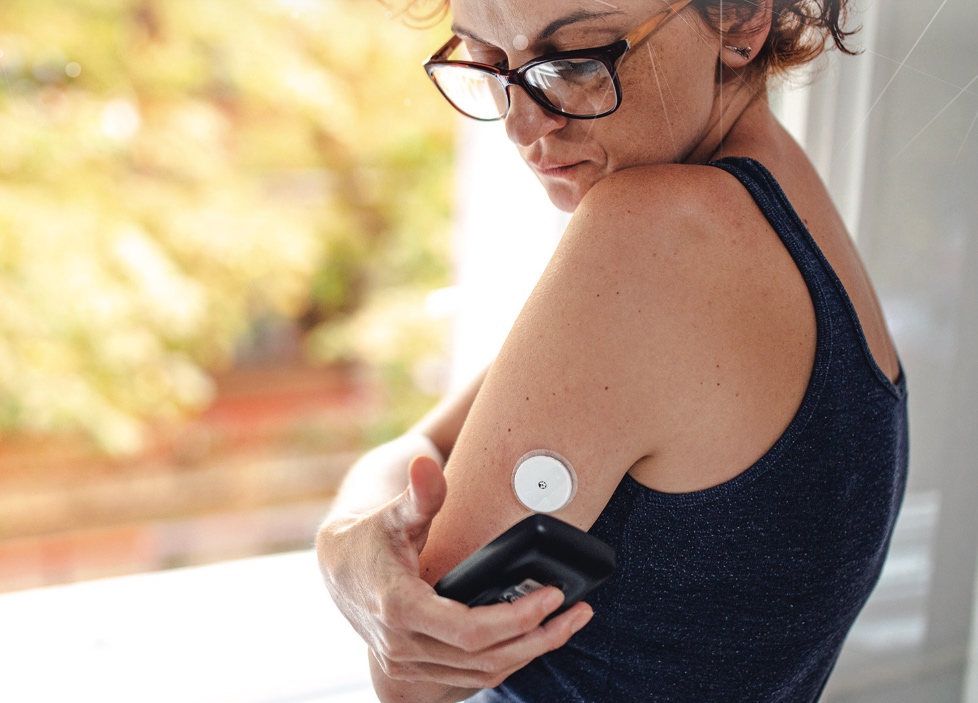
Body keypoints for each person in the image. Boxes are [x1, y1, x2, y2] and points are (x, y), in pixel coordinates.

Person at [316, 0, 909, 701]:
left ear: (743, 17)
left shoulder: (656, 234)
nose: (521, 124)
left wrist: (349, 551)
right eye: (487, 63)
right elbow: (422, 449)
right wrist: (343, 550)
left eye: (572, 62)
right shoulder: (786, 201)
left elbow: (415, 675)